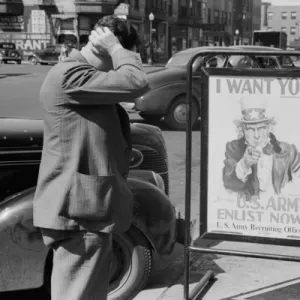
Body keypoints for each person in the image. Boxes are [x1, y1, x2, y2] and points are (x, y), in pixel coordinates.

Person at [33, 15, 149, 300]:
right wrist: (117, 49)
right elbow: (135, 81)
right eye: (115, 54)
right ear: (103, 46)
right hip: (80, 211)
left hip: (88, 210)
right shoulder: (70, 75)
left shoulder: (82, 79)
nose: (118, 64)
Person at [223, 95, 300, 199]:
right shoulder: (233, 148)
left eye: (261, 128)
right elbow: (227, 182)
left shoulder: (289, 151)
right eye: (250, 129)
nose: (256, 135)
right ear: (242, 131)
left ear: (269, 128)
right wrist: (244, 164)